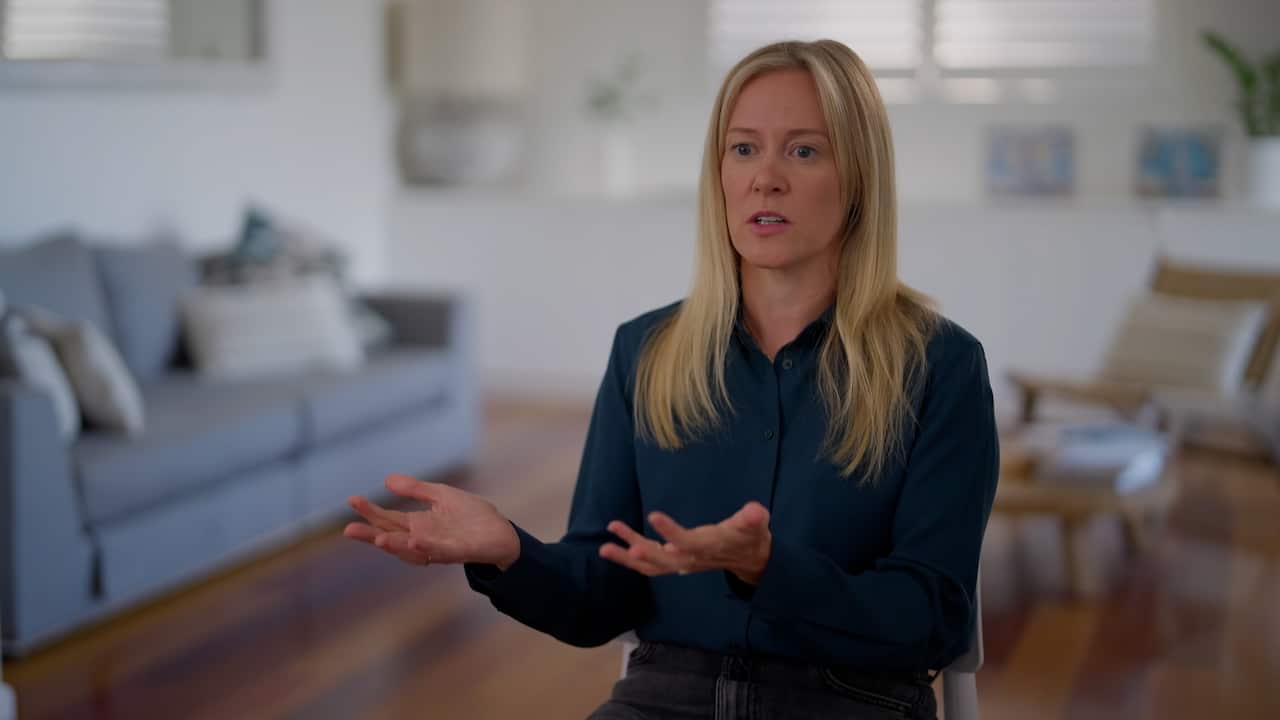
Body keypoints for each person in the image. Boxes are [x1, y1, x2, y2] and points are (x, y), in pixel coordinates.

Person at [344, 38, 998, 720]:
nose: (764, 178)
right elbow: (602, 598)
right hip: (664, 698)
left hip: (851, 702)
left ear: (859, 175)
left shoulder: (941, 366)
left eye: (803, 150)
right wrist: (511, 551)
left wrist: (769, 569)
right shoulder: (645, 351)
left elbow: (933, 617)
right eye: (743, 148)